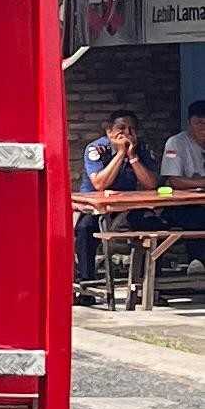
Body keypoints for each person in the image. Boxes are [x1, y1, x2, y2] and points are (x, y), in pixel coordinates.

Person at [77, 107, 157, 291]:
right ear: (109, 131)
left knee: (152, 224)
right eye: (121, 128)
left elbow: (151, 184)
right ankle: (86, 282)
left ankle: (150, 284)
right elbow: (99, 184)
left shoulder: (142, 148)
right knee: (85, 228)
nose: (127, 133)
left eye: (131, 129)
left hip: (127, 207)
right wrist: (120, 154)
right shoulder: (96, 149)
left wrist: (132, 156)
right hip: (97, 207)